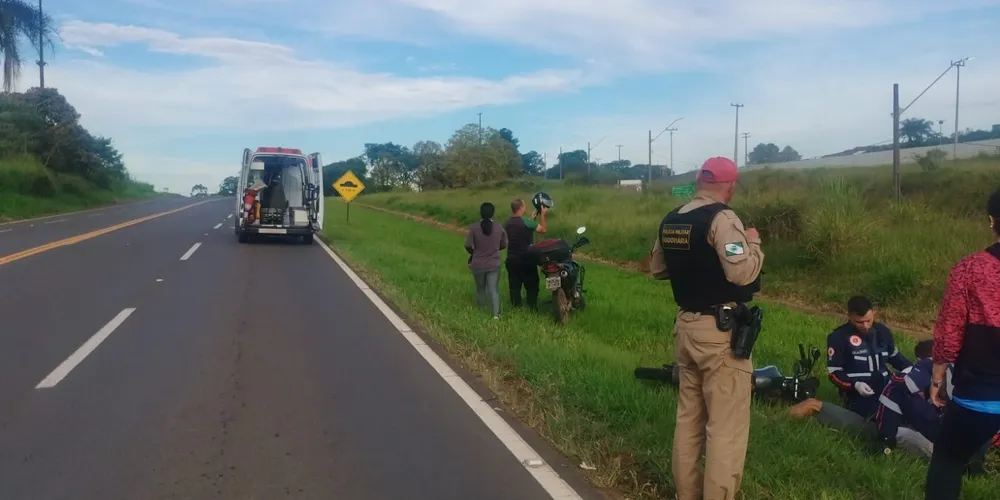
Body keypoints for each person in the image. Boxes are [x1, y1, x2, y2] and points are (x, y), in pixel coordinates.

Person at [648, 156, 764, 500]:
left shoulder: (672, 220)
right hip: (719, 334)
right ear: (730, 186)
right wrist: (754, 244)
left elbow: (657, 269)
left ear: (699, 181)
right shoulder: (723, 218)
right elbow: (740, 272)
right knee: (725, 430)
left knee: (689, 423)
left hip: (685, 328)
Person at [925, 187, 1000, 499]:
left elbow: (950, 330)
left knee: (947, 460)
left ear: (991, 220)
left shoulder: (971, 268)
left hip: (978, 397)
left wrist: (937, 375)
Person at [826, 295, 912, 420]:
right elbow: (834, 373)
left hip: (886, 387)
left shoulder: (882, 332)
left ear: (873, 314)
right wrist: (854, 385)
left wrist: (912, 370)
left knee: (913, 409)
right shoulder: (838, 337)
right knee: (880, 418)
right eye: (859, 322)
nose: (865, 326)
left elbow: (895, 357)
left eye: (869, 320)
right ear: (849, 316)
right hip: (858, 394)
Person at [465, 202, 507, 319]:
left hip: (478, 264)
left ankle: (480, 311)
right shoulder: (499, 227)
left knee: (480, 289)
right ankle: (496, 315)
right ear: (493, 213)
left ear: (480, 213)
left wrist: (474, 253)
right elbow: (504, 244)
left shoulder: (474, 227)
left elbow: (468, 245)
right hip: (494, 264)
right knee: (493, 290)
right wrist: (496, 249)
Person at [502, 198, 547, 310]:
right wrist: (543, 215)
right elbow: (543, 230)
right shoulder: (526, 221)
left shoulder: (507, 222)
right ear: (521, 207)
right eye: (524, 206)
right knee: (532, 285)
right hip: (527, 258)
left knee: (514, 286)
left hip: (512, 258)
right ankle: (532, 307)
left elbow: (520, 230)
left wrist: (531, 219)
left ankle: (515, 307)